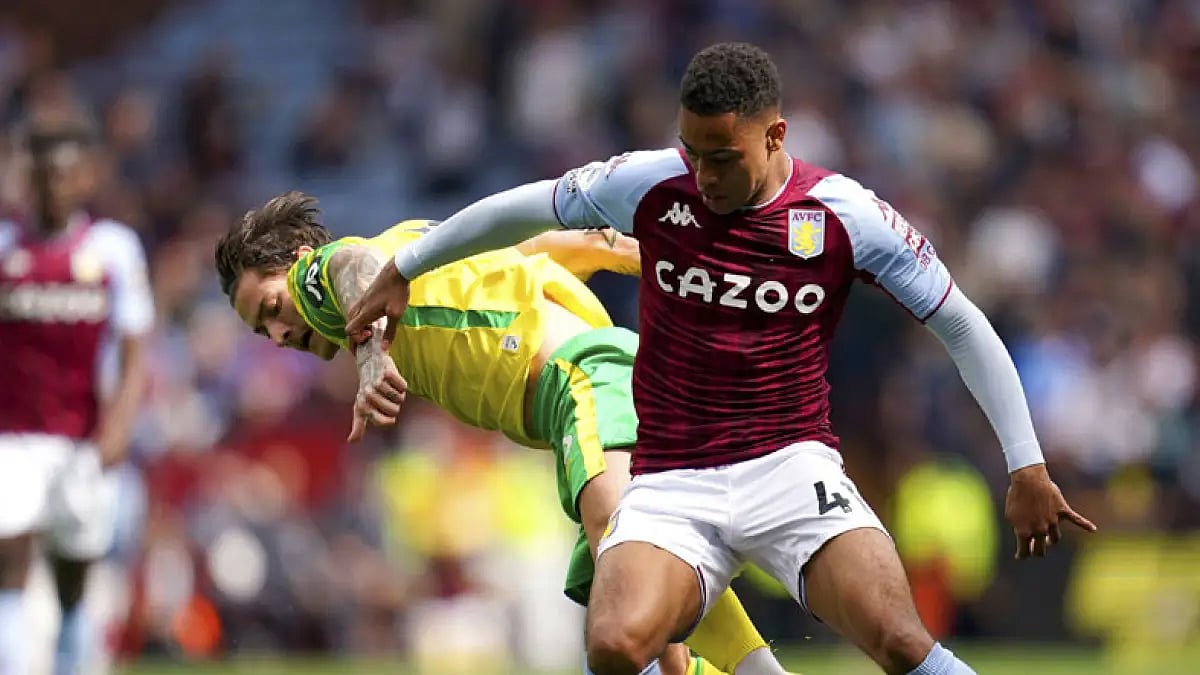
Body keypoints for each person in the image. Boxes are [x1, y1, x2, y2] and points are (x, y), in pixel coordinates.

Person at [343, 42, 1097, 675]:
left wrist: (1026, 465)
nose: (704, 176)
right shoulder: (651, 183)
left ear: (776, 136)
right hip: (672, 480)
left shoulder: (844, 215)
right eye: (693, 153)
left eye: (723, 158)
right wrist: (405, 267)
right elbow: (520, 207)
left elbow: (962, 324)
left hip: (790, 467)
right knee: (614, 645)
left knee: (901, 641)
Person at [213, 191, 796, 675]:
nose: (279, 334)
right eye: (263, 333)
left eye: (270, 308)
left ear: (298, 261)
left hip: (582, 379)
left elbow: (348, 266)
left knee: (627, 565)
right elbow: (537, 251)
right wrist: (672, 266)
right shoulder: (419, 249)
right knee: (656, 561)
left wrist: (370, 360)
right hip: (617, 383)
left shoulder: (327, 272)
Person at [0, 117, 153, 675]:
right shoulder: (5, 248)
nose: (53, 186)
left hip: (84, 437)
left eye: (64, 174)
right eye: (43, 175)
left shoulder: (113, 251)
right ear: (28, 179)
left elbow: (135, 349)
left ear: (86, 178)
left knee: (73, 574)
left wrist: (119, 427)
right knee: (10, 557)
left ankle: (70, 656)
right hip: (12, 436)